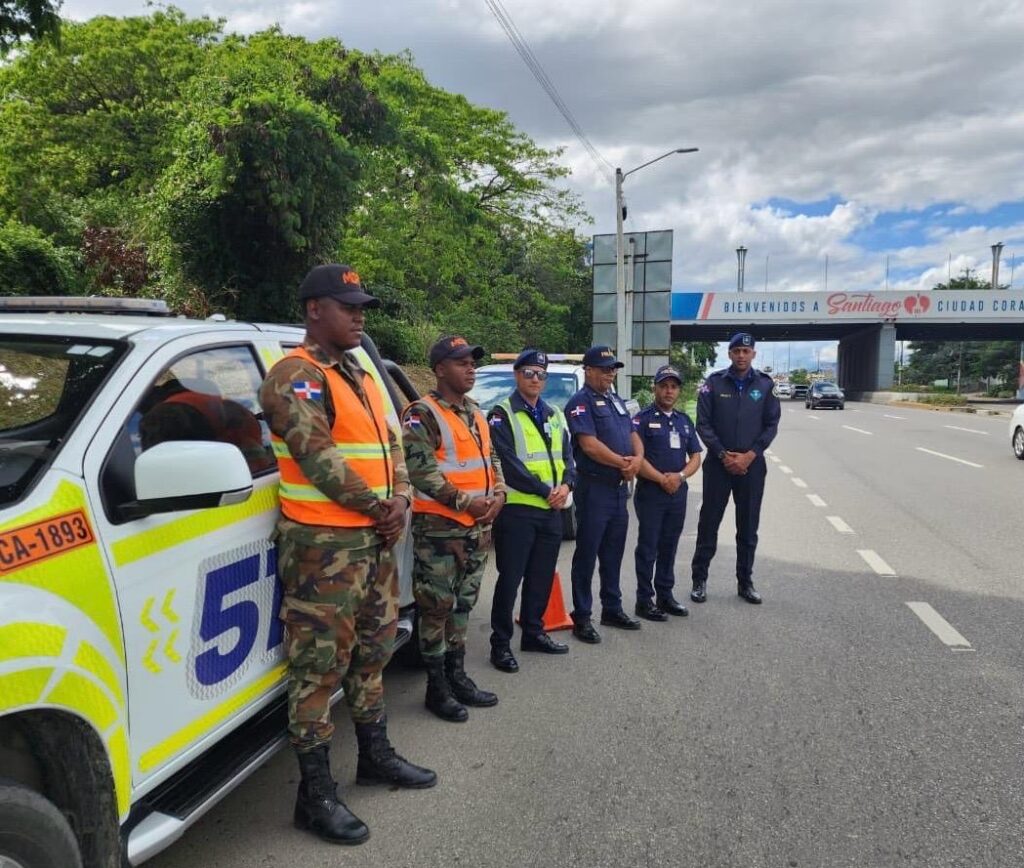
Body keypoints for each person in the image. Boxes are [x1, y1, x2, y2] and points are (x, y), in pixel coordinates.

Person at [259, 263, 436, 847]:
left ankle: (374, 755)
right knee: (317, 668)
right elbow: (318, 458)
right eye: (348, 306)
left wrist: (402, 497)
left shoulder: (358, 373)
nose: (359, 316)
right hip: (325, 549)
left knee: (373, 650)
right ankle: (314, 794)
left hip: (374, 541)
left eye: (362, 307)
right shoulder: (296, 375)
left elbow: (392, 446)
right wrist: (380, 506)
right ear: (315, 310)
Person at [403, 335, 507, 722]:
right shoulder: (421, 413)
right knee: (436, 609)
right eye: (462, 362)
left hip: (476, 530)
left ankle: (457, 675)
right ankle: (436, 687)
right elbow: (421, 471)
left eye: (472, 362)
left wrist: (500, 493)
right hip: (440, 532)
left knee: (463, 605)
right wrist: (466, 502)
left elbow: (491, 458)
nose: (471, 369)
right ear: (440, 369)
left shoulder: (475, 412)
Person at [486, 348, 577, 673]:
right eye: (529, 373)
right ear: (517, 375)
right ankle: (500, 644)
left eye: (541, 374)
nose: (535, 379)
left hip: (551, 512)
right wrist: (546, 491)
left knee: (541, 576)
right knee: (511, 579)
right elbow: (508, 464)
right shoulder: (501, 414)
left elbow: (568, 457)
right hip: (518, 512)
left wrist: (567, 485)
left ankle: (534, 633)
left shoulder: (554, 413)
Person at [689, 332, 781, 605]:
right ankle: (699, 580)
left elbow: (771, 424)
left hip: (751, 466)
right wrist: (722, 454)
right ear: (729, 354)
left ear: (753, 354)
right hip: (719, 464)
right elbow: (703, 423)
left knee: (748, 526)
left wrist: (750, 455)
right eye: (736, 351)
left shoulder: (765, 384)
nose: (741, 355)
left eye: (746, 351)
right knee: (709, 523)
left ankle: (745, 582)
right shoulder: (713, 383)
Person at [564, 345, 644, 644]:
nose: (610, 374)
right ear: (588, 370)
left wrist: (637, 460)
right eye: (604, 369)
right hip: (594, 488)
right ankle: (582, 617)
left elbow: (633, 433)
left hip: (618, 490)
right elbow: (589, 446)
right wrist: (623, 463)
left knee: (613, 553)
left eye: (613, 369)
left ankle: (612, 608)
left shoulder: (615, 400)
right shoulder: (580, 402)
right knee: (587, 554)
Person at [631, 365, 703, 621]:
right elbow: (637, 458)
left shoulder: (684, 421)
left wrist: (679, 476)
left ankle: (665, 595)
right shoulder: (641, 420)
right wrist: (661, 478)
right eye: (664, 386)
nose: (669, 391)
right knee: (648, 547)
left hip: (677, 494)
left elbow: (696, 457)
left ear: (678, 390)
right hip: (651, 493)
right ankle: (644, 600)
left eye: (673, 386)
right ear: (655, 388)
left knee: (669, 546)